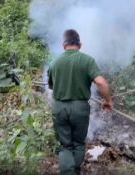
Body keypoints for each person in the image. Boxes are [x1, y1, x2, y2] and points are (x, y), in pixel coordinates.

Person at [48, 29, 113, 175]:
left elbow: (51, 86)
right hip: (79, 108)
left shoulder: (54, 62)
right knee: (78, 144)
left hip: (59, 108)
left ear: (64, 44)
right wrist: (108, 100)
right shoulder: (87, 60)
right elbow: (101, 83)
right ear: (80, 45)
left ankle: (68, 171)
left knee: (65, 146)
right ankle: (74, 171)